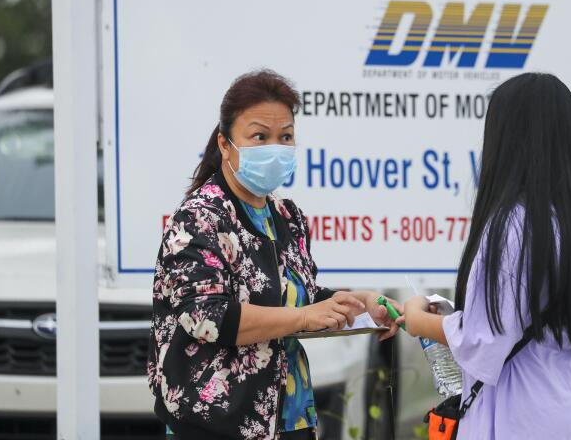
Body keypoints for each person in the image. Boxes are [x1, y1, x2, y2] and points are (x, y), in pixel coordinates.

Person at [147, 69, 402, 440]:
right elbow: (206, 317)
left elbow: (294, 298)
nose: (275, 148)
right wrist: (303, 315)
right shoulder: (200, 218)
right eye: (259, 137)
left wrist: (356, 305)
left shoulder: (287, 216)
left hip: (291, 416)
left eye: (285, 137)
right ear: (224, 143)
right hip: (218, 423)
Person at [399, 73, 571, 439]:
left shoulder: (513, 225)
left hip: (527, 419)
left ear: (503, 140)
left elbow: (483, 341)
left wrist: (415, 318)